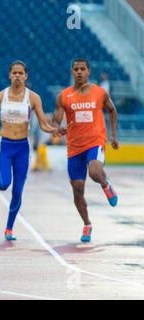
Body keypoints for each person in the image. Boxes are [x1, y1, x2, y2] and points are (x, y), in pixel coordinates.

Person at [0, 61, 62, 241]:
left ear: (26, 76)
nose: (17, 76)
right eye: (14, 73)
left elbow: (42, 124)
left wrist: (53, 130)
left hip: (23, 147)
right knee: (3, 185)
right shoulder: (0, 96)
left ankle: (9, 228)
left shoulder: (33, 98)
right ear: (9, 75)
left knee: (17, 191)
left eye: (20, 73)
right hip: (5, 145)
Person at [52, 58, 119, 242]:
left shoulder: (99, 93)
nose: (79, 72)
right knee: (77, 190)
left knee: (95, 172)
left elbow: (112, 110)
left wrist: (113, 135)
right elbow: (56, 119)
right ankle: (87, 224)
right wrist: (57, 128)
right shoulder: (64, 96)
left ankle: (106, 185)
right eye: (76, 69)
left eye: (83, 69)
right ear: (72, 72)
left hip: (95, 141)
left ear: (89, 71)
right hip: (74, 148)